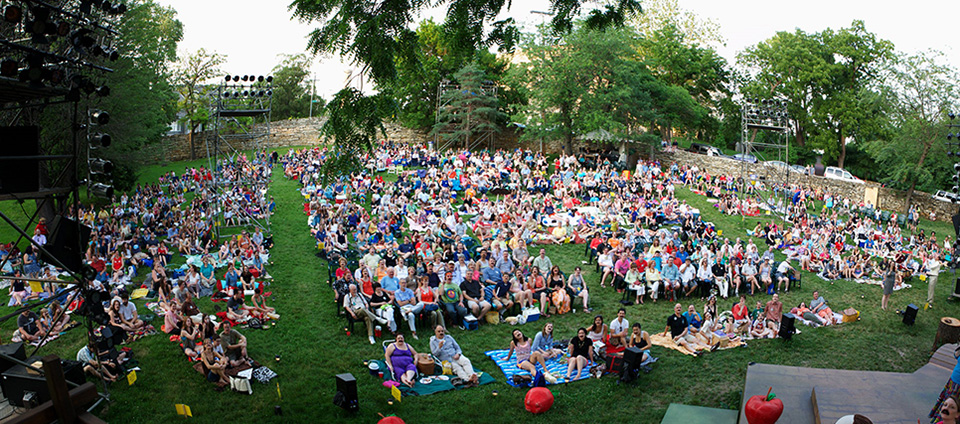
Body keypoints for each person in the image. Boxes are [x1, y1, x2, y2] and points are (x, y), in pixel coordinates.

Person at [931, 346, 960, 423]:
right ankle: (941, 420)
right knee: (948, 403)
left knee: (955, 406)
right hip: (954, 380)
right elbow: (956, 355)